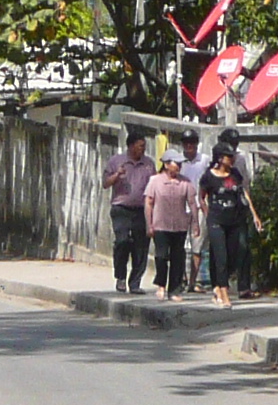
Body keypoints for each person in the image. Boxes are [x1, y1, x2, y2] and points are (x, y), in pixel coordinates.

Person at [201, 134, 261, 306]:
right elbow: (202, 196)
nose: (233, 158)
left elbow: (243, 194)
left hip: (234, 220)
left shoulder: (234, 174)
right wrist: (207, 213)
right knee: (220, 256)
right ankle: (223, 292)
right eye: (229, 156)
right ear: (220, 158)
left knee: (233, 255)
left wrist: (254, 214)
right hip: (216, 220)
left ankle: (221, 287)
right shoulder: (209, 176)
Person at [102, 131, 157, 294]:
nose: (143, 149)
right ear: (131, 146)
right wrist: (117, 175)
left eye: (144, 146)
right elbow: (105, 183)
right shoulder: (116, 161)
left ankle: (135, 282)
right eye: (140, 146)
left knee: (141, 246)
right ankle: (120, 276)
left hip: (141, 209)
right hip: (121, 209)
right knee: (123, 241)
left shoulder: (148, 164)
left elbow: (154, 186)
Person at [145, 147, 200, 299]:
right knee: (161, 256)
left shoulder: (185, 182)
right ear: (167, 164)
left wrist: (195, 223)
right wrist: (149, 224)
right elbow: (148, 202)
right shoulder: (155, 181)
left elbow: (192, 203)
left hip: (180, 226)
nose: (179, 167)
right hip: (160, 225)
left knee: (178, 258)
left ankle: (174, 289)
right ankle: (161, 284)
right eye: (176, 163)